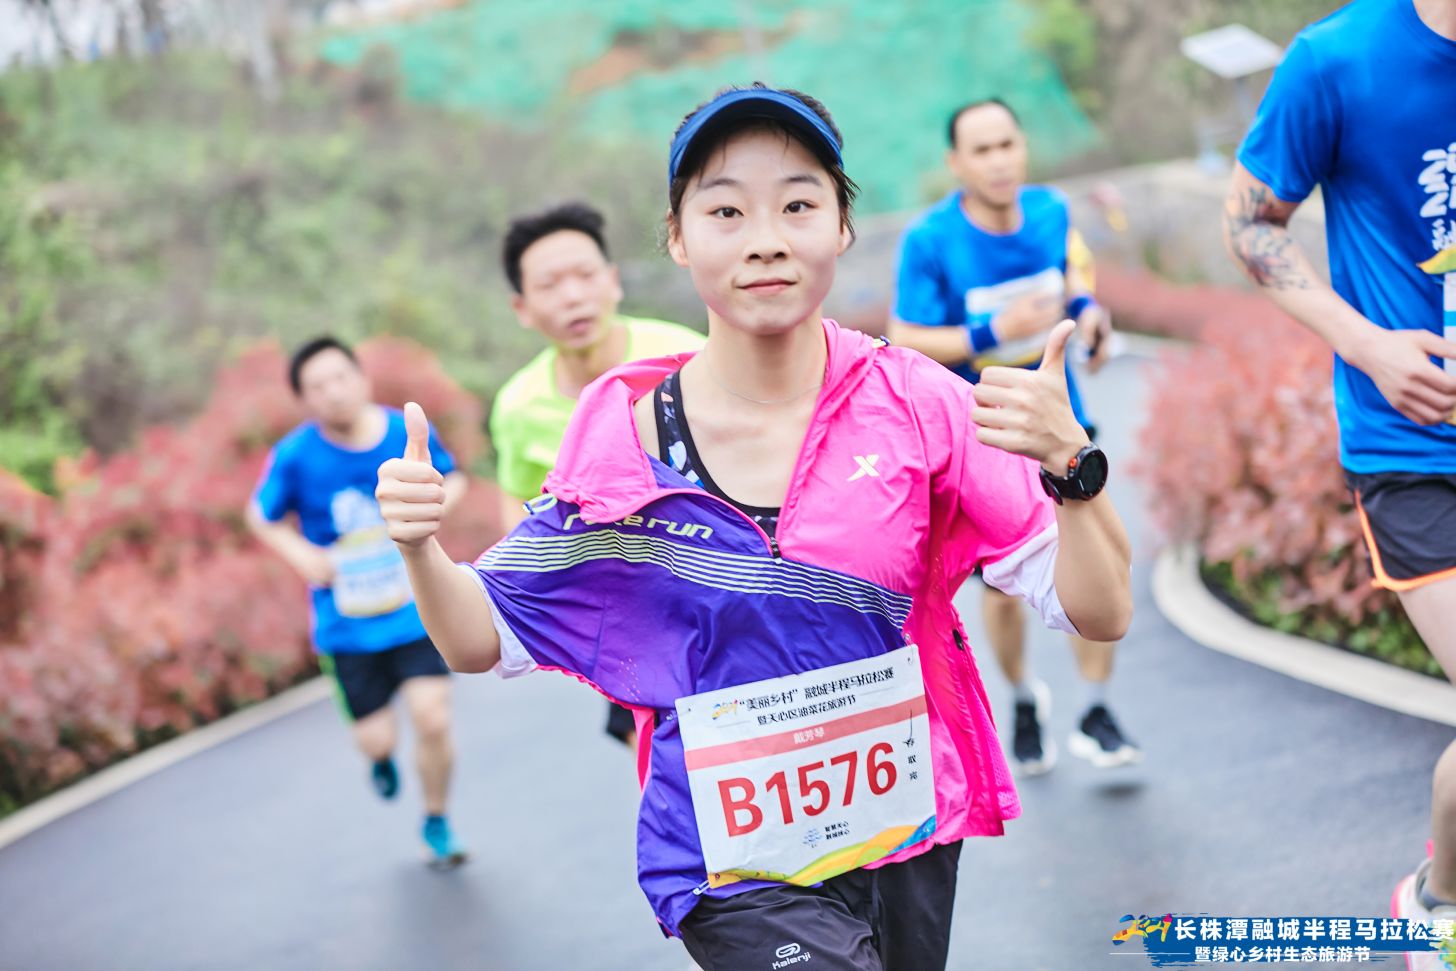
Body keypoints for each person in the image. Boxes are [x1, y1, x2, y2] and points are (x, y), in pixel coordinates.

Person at [377, 84, 1132, 969]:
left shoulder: (918, 402)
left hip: (903, 823)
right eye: (726, 209)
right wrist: (420, 547)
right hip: (725, 856)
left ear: (842, 227)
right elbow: (481, 633)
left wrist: (1071, 471)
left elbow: (1099, 610)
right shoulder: (627, 434)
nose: (766, 237)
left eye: (799, 204)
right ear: (677, 236)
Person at [1222, 1, 1456, 963]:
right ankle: (1436, 900)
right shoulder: (1338, 58)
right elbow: (1248, 223)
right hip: (1415, 447)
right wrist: (1367, 347)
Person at [887, 97, 1142, 777]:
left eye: (1008, 145)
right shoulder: (931, 240)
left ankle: (1095, 707)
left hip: (1064, 426)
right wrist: (988, 334)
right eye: (982, 150)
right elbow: (905, 337)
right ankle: (1024, 695)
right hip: (986, 440)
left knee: (1103, 561)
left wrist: (1089, 316)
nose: (999, 161)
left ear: (1023, 147)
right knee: (1003, 593)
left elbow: (1075, 280)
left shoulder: (1053, 210)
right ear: (956, 163)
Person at [248, 336, 471, 869]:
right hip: (347, 626)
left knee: (433, 718)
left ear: (361, 378)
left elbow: (454, 477)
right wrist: (302, 555)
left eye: (339, 378)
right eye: (316, 387)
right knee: (376, 740)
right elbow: (261, 515)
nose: (332, 393)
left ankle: (436, 820)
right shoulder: (296, 456)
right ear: (304, 399)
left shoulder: (402, 431)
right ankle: (379, 758)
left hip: (416, 610)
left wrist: (430, 511)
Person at [490, 201, 705, 746]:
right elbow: (516, 506)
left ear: (613, 282)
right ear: (522, 307)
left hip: (723, 590)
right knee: (670, 782)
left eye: (585, 275)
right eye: (549, 284)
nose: (572, 296)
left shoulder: (684, 356)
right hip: (631, 627)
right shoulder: (519, 407)